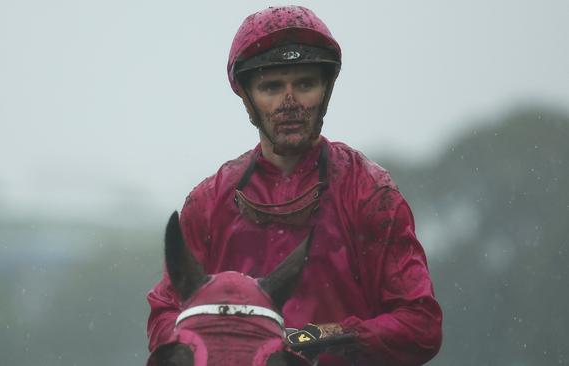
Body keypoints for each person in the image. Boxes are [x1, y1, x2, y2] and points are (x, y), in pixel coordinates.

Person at [147, 5, 442, 365]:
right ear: (247, 96)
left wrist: (323, 335)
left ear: (325, 91)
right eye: (272, 87)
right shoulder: (208, 203)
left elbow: (421, 324)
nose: (290, 103)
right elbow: (164, 313)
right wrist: (212, 334)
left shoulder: (368, 193)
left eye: (304, 84)